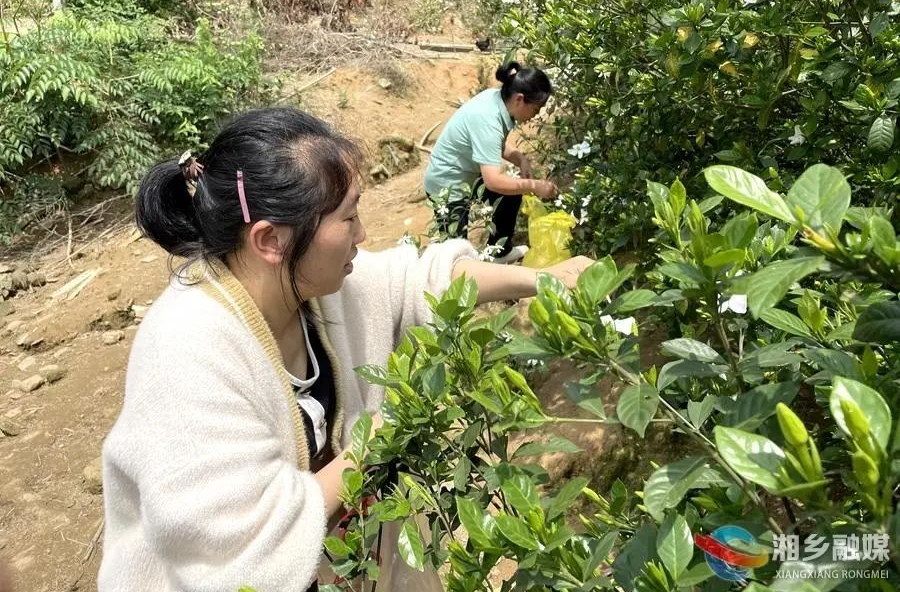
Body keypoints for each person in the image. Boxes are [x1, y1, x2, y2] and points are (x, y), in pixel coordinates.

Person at [98, 107, 591, 592]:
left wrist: (543, 280)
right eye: (348, 216)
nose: (363, 235)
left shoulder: (313, 283)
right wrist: (372, 443)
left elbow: (418, 279)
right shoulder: (188, 352)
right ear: (270, 239)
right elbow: (239, 556)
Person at [424, 61, 559, 264]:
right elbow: (493, 181)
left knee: (511, 194)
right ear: (520, 99)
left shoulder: (496, 100)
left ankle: (500, 253)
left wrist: (519, 158)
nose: (537, 114)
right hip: (447, 185)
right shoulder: (488, 118)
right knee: (456, 255)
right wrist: (535, 186)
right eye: (537, 108)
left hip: (466, 173)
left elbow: (494, 145)